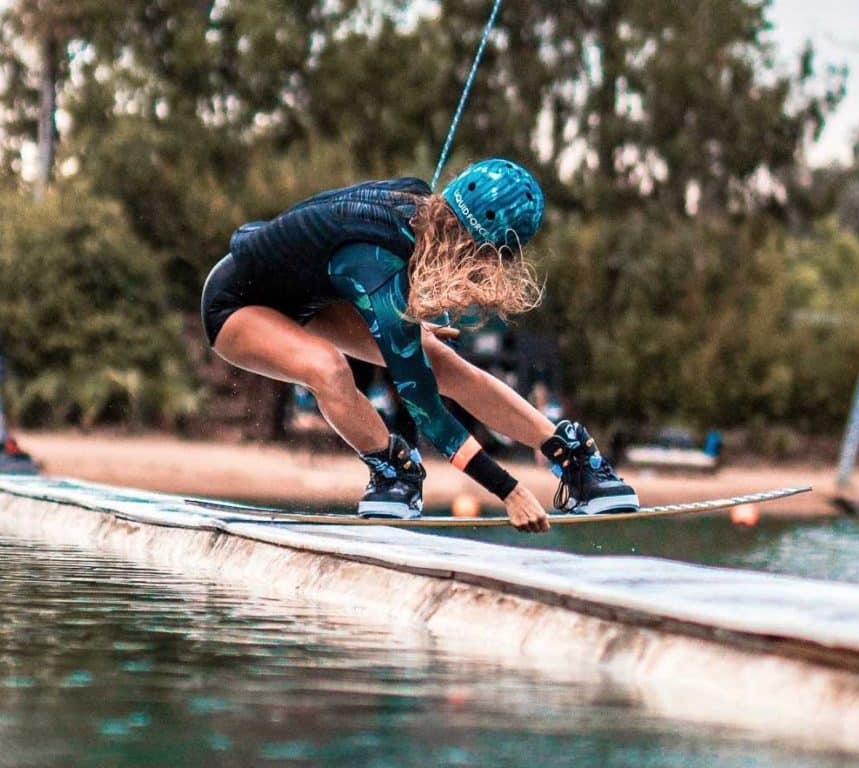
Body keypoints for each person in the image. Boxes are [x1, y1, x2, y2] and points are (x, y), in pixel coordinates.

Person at [201, 158, 639, 532]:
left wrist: (408, 326)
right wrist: (509, 489)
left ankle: (575, 460)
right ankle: (392, 471)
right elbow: (425, 409)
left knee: (441, 362)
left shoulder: (419, 202)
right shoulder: (374, 264)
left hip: (311, 298)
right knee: (328, 368)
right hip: (235, 304)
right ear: (469, 248)